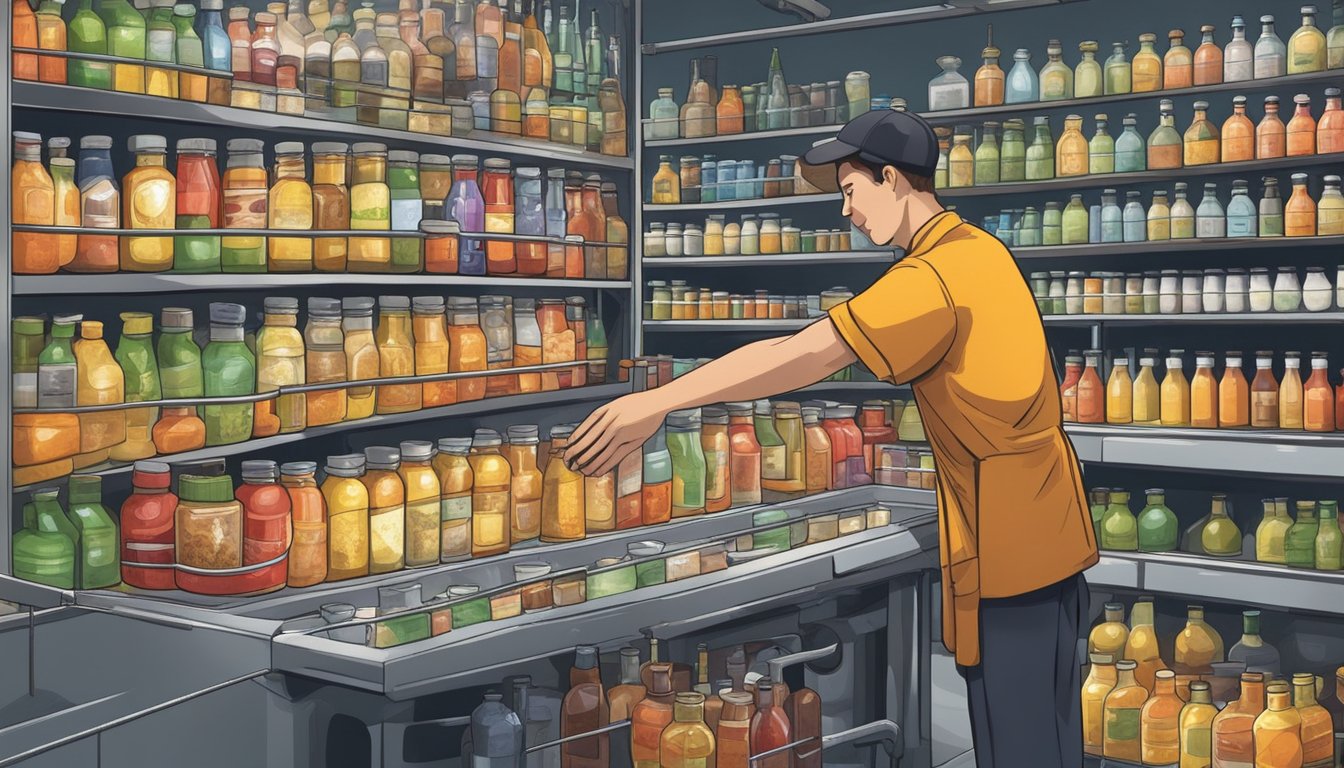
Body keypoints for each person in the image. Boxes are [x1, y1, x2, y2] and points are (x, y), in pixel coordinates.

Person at [563, 108, 1098, 768]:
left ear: (894, 181)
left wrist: (660, 400)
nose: (845, 210)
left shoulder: (931, 278)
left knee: (1021, 750)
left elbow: (805, 354)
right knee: (1048, 740)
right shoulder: (976, 250)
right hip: (1046, 535)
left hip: (1015, 548)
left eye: (850, 190)